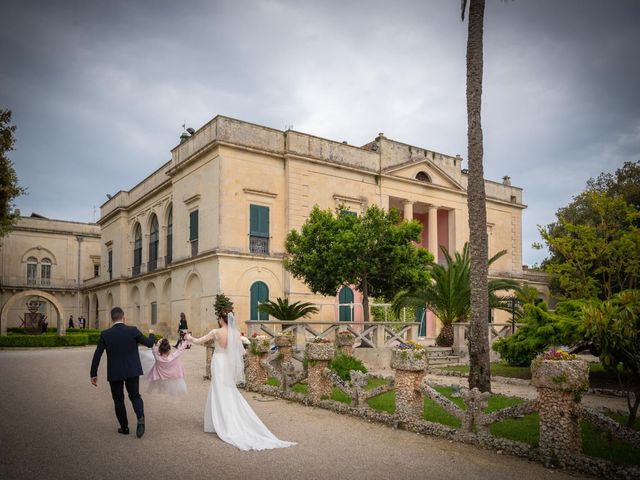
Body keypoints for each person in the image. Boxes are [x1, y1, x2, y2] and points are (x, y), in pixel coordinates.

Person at [186, 311, 296, 451]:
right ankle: (227, 420)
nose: (218, 320)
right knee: (227, 389)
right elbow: (242, 352)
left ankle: (222, 423)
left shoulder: (216, 332)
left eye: (219, 318)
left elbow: (198, 341)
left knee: (218, 389)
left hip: (219, 361)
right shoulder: (235, 334)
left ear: (221, 319)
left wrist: (189, 337)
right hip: (226, 362)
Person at [89, 307, 155, 438]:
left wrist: (93, 374)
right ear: (123, 317)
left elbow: (97, 354)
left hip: (115, 371)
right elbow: (149, 344)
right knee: (135, 396)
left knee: (118, 400)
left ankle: (124, 427)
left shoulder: (105, 334)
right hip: (132, 369)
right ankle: (140, 419)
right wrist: (151, 334)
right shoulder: (133, 330)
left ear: (111, 319)